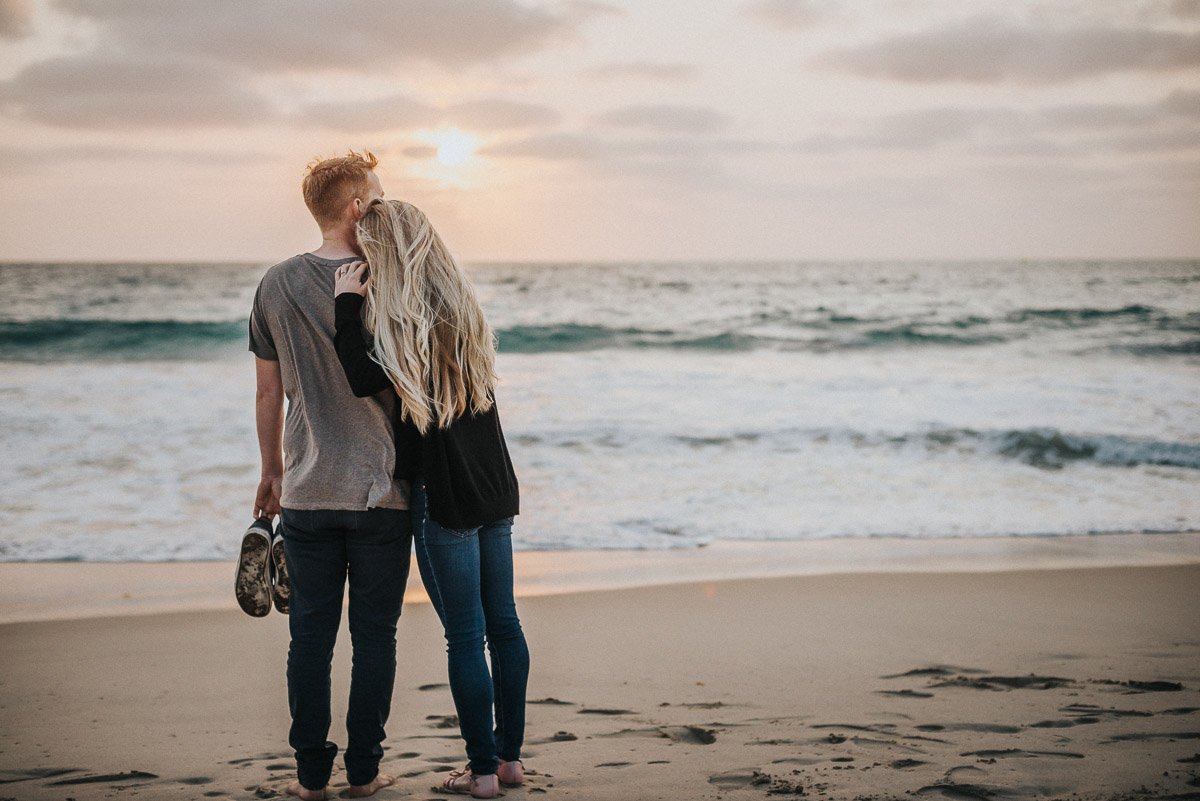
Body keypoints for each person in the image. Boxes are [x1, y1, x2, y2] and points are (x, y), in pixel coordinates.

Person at [331, 199, 529, 799]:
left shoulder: (398, 317)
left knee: (466, 637)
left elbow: (362, 378)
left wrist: (346, 304)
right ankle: (511, 761)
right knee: (505, 625)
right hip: (493, 481)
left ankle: (483, 772)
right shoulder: (462, 306)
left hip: (442, 493)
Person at [248, 151, 411, 801]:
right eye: (376, 193)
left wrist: (271, 470)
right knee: (375, 636)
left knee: (309, 638)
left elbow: (268, 393)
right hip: (380, 492)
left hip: (308, 492)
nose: (383, 201)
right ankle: (365, 772)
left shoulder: (275, 283)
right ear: (355, 206)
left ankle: (312, 776)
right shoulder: (387, 279)